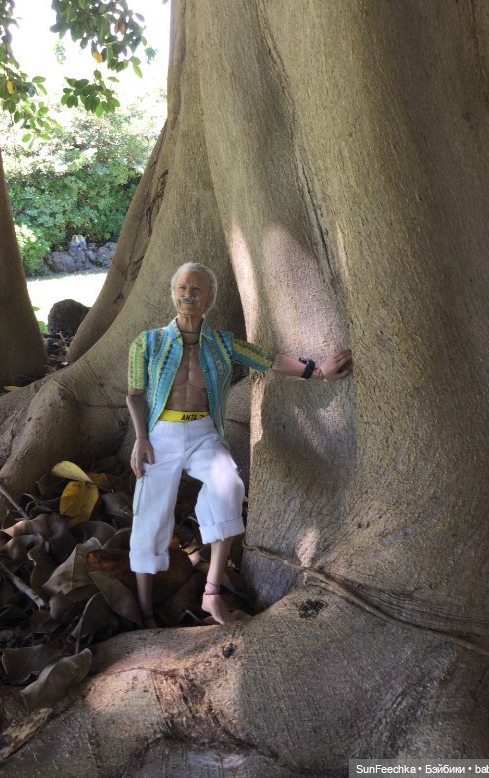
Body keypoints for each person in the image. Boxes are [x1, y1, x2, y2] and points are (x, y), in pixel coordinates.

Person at [126, 262, 351, 627]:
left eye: (197, 290)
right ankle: (144, 611)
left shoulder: (221, 345)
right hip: (160, 436)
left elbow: (271, 360)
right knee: (149, 515)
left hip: (202, 433)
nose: (188, 295)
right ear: (172, 293)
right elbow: (134, 395)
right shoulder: (148, 343)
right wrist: (141, 438)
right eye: (182, 288)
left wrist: (318, 371)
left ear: (210, 299)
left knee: (228, 485)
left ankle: (211, 593)